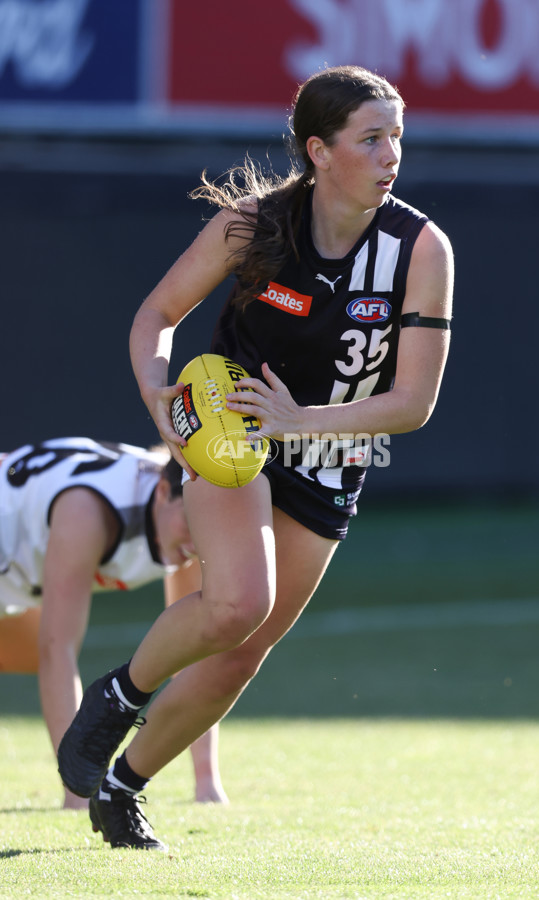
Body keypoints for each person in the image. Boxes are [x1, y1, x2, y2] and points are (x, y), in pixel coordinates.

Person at [58, 64, 454, 851]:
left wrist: (302, 419)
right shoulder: (253, 224)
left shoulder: (421, 247)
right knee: (238, 603)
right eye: (371, 138)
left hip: (330, 453)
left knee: (243, 655)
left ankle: (120, 785)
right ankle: (117, 693)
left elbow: (412, 404)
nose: (391, 155)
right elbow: (156, 317)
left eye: (397, 138)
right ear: (319, 149)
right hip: (232, 437)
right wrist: (157, 400)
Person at [0, 437, 227, 811]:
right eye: (191, 522)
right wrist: (77, 795)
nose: (199, 543)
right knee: (46, 651)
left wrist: (207, 783)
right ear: (163, 492)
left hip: (16, 583)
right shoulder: (86, 511)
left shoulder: (184, 511)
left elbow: (193, 653)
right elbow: (57, 650)